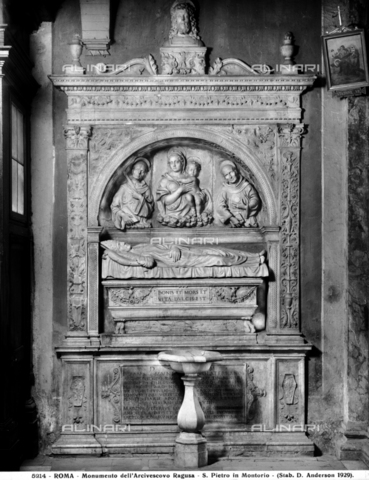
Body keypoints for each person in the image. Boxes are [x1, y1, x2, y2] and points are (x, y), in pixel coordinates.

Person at [156, 147, 210, 227]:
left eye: (176, 162)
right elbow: (164, 201)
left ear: (183, 162)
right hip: (173, 213)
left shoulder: (190, 176)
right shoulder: (165, 180)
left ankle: (196, 213)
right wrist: (180, 191)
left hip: (191, 212)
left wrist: (201, 195)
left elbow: (196, 191)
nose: (173, 165)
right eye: (171, 162)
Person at [110, 157, 154, 230]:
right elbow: (114, 206)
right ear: (133, 170)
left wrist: (140, 197)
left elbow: (149, 211)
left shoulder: (146, 189)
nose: (139, 172)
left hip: (143, 224)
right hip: (128, 222)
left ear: (145, 174)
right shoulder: (124, 188)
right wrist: (123, 215)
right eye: (137, 169)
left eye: (142, 170)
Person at [217, 160, 261, 228]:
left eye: (231, 172)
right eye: (226, 175)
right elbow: (220, 206)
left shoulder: (246, 186)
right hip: (233, 220)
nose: (230, 176)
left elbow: (254, 198)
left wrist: (246, 206)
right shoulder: (225, 189)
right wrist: (231, 218)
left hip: (247, 217)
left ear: (236, 171)